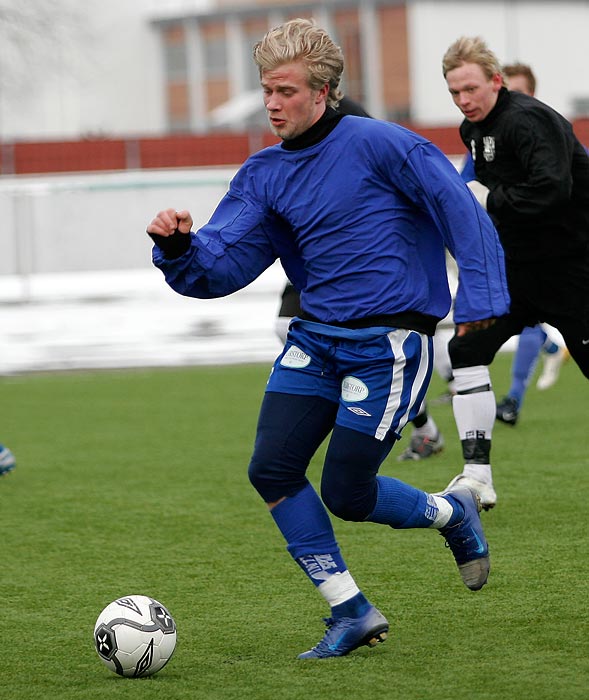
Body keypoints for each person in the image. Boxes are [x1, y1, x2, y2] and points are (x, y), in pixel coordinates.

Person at [147, 19, 509, 659]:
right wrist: (179, 247)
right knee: (272, 468)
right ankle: (352, 610)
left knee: (347, 493)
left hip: (389, 342)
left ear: (324, 90)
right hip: (315, 340)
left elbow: (463, 212)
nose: (272, 103)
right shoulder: (262, 174)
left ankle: (455, 514)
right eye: (266, 90)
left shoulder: (384, 145)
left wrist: (481, 299)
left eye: (285, 90)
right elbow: (222, 263)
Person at [442, 36, 589, 507]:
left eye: (471, 89)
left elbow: (552, 190)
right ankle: (476, 477)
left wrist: (490, 200)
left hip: (573, 269)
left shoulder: (527, 120)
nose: (464, 100)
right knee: (466, 348)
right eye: (455, 93)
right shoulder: (472, 130)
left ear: (496, 81)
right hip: (517, 274)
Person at [275, 97, 448, 464]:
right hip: (316, 260)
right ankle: (412, 420)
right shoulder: (296, 116)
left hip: (360, 267)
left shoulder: (354, 120)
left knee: (346, 488)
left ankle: (417, 422)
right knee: (284, 327)